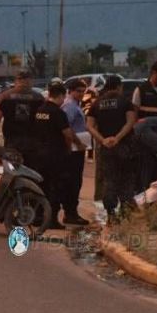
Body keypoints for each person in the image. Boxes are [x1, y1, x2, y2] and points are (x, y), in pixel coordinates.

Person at [32, 82, 87, 229]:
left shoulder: (40, 110)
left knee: (42, 185)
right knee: (55, 187)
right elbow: (67, 134)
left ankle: (39, 216)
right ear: (62, 95)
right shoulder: (58, 112)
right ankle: (51, 219)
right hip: (55, 155)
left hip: (40, 153)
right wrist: (70, 148)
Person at [87, 76, 138, 223]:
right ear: (118, 87)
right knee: (126, 178)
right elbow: (130, 121)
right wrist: (118, 138)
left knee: (109, 180)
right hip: (124, 146)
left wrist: (103, 140)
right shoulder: (124, 101)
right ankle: (126, 211)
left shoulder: (97, 103)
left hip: (106, 148)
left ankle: (110, 214)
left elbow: (89, 125)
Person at [0, 70, 44, 167]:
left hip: (12, 143)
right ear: (30, 81)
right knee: (31, 173)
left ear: (16, 81)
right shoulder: (39, 98)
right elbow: (43, 122)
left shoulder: (5, 97)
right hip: (32, 143)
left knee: (12, 171)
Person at [60, 79, 91, 226]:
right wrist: (78, 143)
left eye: (83, 91)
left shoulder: (75, 105)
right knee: (72, 181)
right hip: (72, 149)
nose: (81, 94)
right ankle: (70, 213)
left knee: (75, 181)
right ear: (70, 91)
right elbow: (67, 128)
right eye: (78, 91)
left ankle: (71, 212)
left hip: (76, 147)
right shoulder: (70, 106)